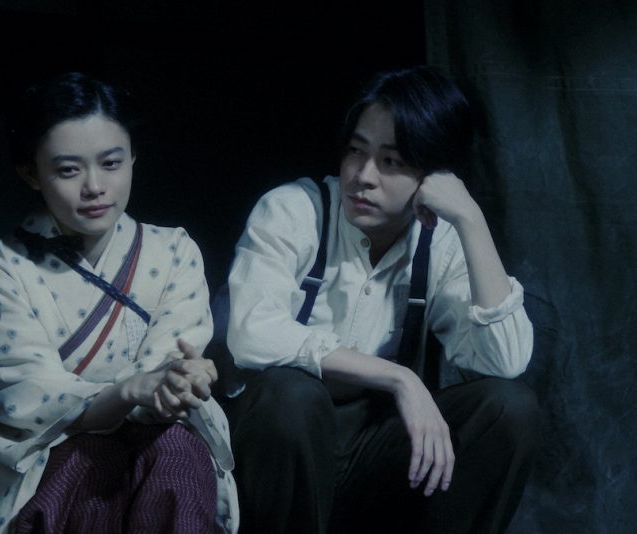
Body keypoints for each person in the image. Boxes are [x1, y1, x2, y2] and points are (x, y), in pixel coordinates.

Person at [224, 66, 538, 534]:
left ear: (433, 176)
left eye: (391, 161)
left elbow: (505, 361)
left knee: (509, 409)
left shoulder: (441, 242)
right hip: (280, 456)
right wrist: (399, 378)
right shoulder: (296, 209)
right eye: (356, 151)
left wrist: (470, 219)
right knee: (291, 396)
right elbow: (252, 333)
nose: (362, 177)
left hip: (377, 454)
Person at [0, 72, 238, 534]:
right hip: (49, 454)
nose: (95, 186)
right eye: (69, 170)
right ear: (30, 173)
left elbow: (167, 371)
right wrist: (127, 391)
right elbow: (33, 395)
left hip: (153, 438)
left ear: (133, 157)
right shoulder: (3, 268)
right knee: (94, 460)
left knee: (177, 452)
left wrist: (179, 381)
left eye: (111, 163)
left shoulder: (174, 251)